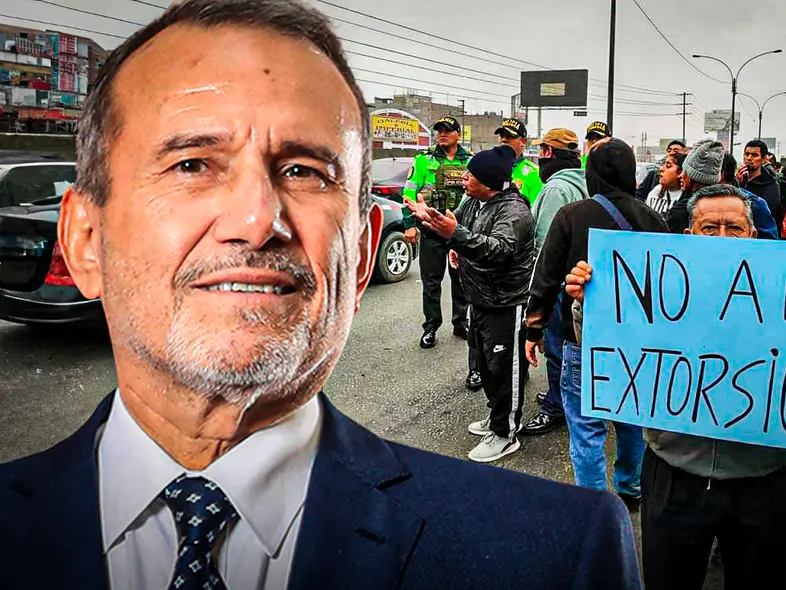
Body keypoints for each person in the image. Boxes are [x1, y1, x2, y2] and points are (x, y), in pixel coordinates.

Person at [0, 2, 646, 588]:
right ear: (85, 239)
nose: (256, 219)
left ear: (361, 253)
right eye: (192, 164)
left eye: (304, 171)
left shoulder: (557, 557)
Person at [563, 184, 786, 590]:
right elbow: (608, 352)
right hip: (673, 471)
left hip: (761, 478)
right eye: (709, 228)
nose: (723, 238)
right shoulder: (665, 283)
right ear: (690, 236)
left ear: (752, 235)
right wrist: (591, 301)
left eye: (734, 228)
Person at [524, 138, 665, 509]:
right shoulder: (653, 219)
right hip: (637, 344)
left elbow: (546, 277)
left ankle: (593, 506)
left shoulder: (572, 215)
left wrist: (533, 329)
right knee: (632, 422)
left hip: (582, 341)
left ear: (592, 174)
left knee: (586, 429)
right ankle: (631, 488)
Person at [408, 145, 535, 462]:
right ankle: (495, 419)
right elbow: (455, 232)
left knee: (505, 370)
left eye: (471, 175)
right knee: (485, 365)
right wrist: (429, 222)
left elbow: (498, 250)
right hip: (479, 298)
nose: (464, 177)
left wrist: (456, 235)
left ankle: (506, 434)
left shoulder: (514, 212)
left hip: (506, 302)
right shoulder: (474, 203)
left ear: (488, 182)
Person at [520, 128, 586, 436]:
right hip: (580, 281)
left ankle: (556, 407)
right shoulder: (584, 181)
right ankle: (565, 397)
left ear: (551, 154)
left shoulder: (556, 189)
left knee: (557, 349)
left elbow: (544, 246)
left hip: (560, 284)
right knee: (573, 347)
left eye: (542, 151)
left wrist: (537, 294)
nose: (539, 158)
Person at [403, 114, 473, 350]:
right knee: (431, 282)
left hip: (459, 231)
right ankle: (431, 326)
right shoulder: (424, 160)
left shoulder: (471, 161)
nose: (442, 134)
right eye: (439, 130)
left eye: (447, 130)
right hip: (431, 230)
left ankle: (460, 322)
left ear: (458, 135)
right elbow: (409, 193)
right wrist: (409, 224)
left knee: (460, 280)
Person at [671, 146, 779, 240]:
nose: (722, 236)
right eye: (709, 228)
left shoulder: (754, 204)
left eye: (735, 228)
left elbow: (770, 248)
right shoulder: (687, 206)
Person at [738, 140, 784, 234]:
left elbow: (763, 214)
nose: (749, 158)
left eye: (754, 155)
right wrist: (737, 184)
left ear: (764, 159)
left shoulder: (770, 185)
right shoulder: (739, 180)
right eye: (747, 154)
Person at [495, 118, 543, 205]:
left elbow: (534, 211)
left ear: (523, 142)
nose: (504, 140)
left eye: (510, 136)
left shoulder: (535, 174)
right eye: (502, 136)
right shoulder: (489, 167)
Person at [645, 151, 685, 218]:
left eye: (668, 166)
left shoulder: (686, 198)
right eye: (663, 165)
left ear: (681, 172)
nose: (661, 169)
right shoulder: (656, 192)